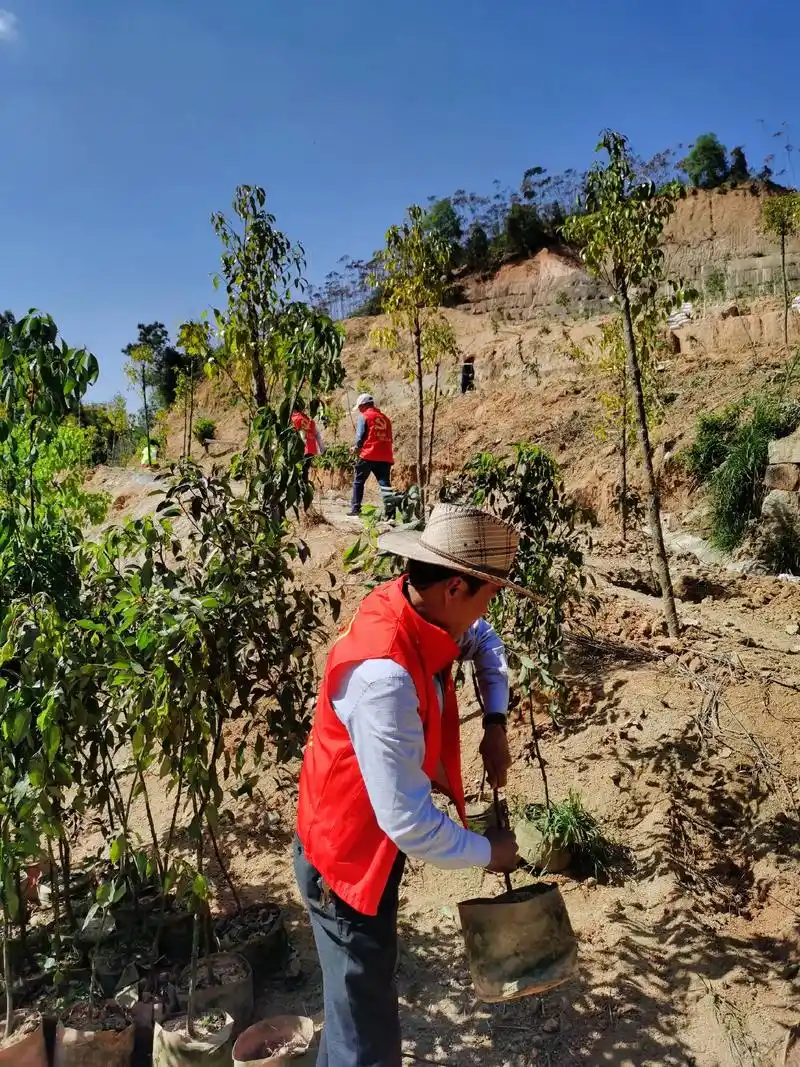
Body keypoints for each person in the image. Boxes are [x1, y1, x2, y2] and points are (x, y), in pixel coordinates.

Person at [295, 502, 537, 1067]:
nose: (489, 608)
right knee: (366, 1034)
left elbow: (487, 644)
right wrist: (489, 852)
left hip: (365, 841)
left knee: (358, 1000)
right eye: (488, 594)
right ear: (455, 587)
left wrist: (495, 724)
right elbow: (406, 821)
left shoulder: (413, 605)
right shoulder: (384, 676)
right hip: (345, 858)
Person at [348, 393, 394, 517]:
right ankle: (390, 513)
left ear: (364, 405)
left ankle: (356, 509)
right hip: (385, 456)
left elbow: (360, 436)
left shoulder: (365, 417)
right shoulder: (385, 418)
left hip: (369, 454)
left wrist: (356, 448)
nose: (359, 410)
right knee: (385, 484)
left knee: (358, 481)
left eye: (359, 407)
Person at [291, 405, 324, 482]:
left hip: (303, 447)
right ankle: (304, 484)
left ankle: (303, 485)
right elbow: (317, 434)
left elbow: (300, 435)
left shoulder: (296, 418)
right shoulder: (308, 419)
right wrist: (322, 448)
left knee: (302, 469)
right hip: (311, 447)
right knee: (305, 468)